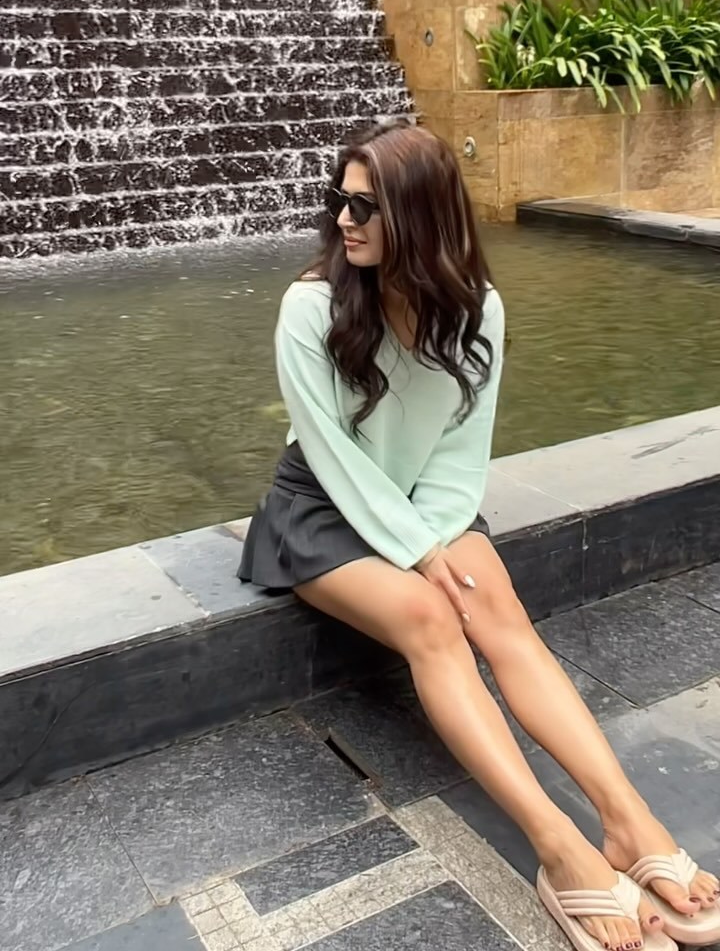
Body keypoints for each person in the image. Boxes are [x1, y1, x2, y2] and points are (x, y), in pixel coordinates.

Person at [239, 118, 719, 951]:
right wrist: (422, 556)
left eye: (366, 206)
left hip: (427, 501)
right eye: (338, 200)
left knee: (497, 609)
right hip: (319, 510)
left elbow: (462, 452)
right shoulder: (310, 306)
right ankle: (560, 849)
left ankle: (628, 822)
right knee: (432, 618)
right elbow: (334, 458)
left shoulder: (478, 310)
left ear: (420, 215)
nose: (344, 219)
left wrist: (439, 538)